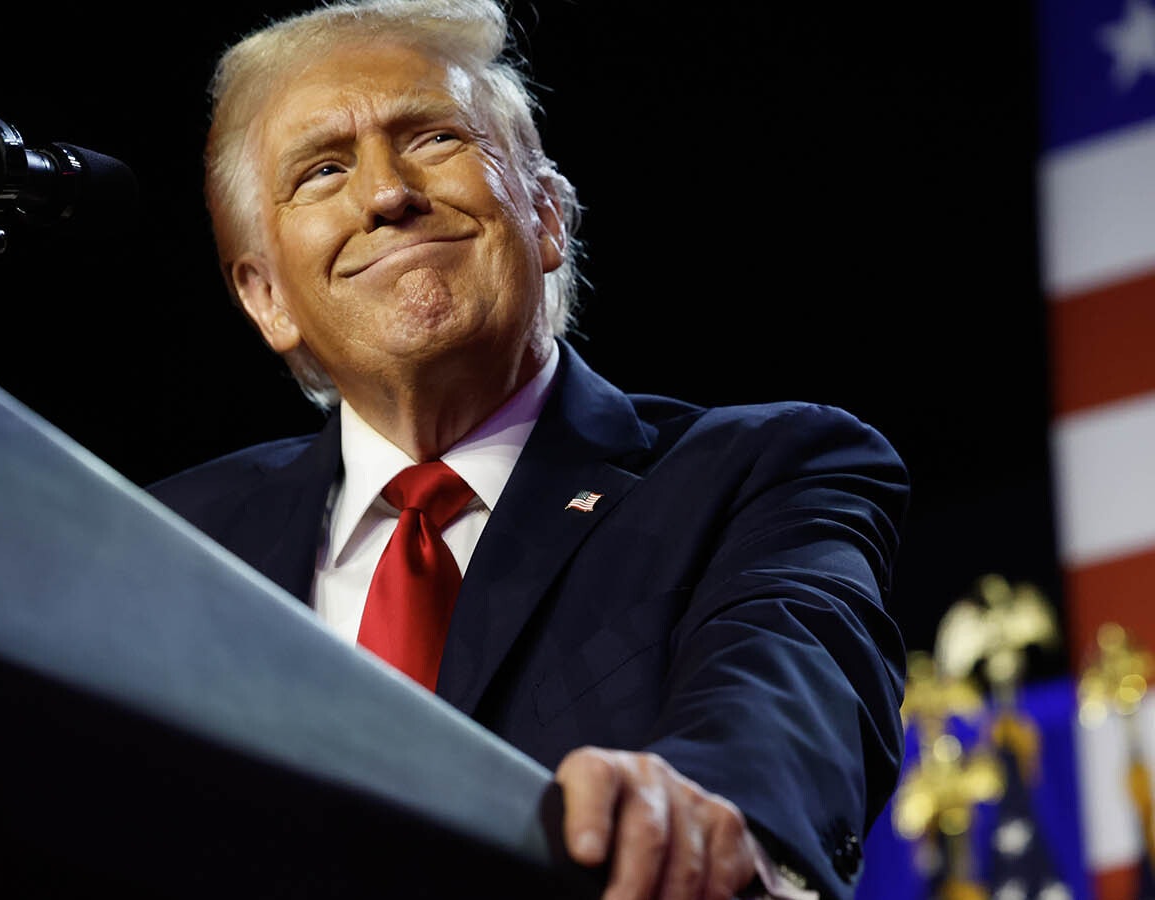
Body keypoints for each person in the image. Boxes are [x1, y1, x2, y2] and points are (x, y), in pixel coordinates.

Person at [146, 2, 911, 898]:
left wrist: (707, 806)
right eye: (323, 170)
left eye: (432, 138)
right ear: (266, 296)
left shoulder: (759, 473)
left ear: (547, 215)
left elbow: (790, 677)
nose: (387, 194)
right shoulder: (165, 543)